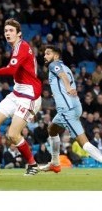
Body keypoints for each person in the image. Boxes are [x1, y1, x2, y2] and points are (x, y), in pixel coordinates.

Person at [0, 18, 42, 176]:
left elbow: (11, 70)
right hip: (17, 92)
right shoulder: (18, 47)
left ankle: (32, 165)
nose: (7, 33)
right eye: (6, 31)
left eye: (11, 30)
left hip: (29, 96)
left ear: (19, 33)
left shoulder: (22, 47)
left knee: (12, 134)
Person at [40, 45, 102, 173]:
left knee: (83, 143)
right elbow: (63, 79)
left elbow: (63, 76)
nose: (44, 56)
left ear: (56, 56)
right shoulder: (66, 67)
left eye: (48, 53)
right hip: (74, 106)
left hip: (67, 110)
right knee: (52, 129)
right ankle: (55, 163)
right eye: (44, 54)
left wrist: (67, 88)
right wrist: (58, 92)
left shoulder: (54, 65)